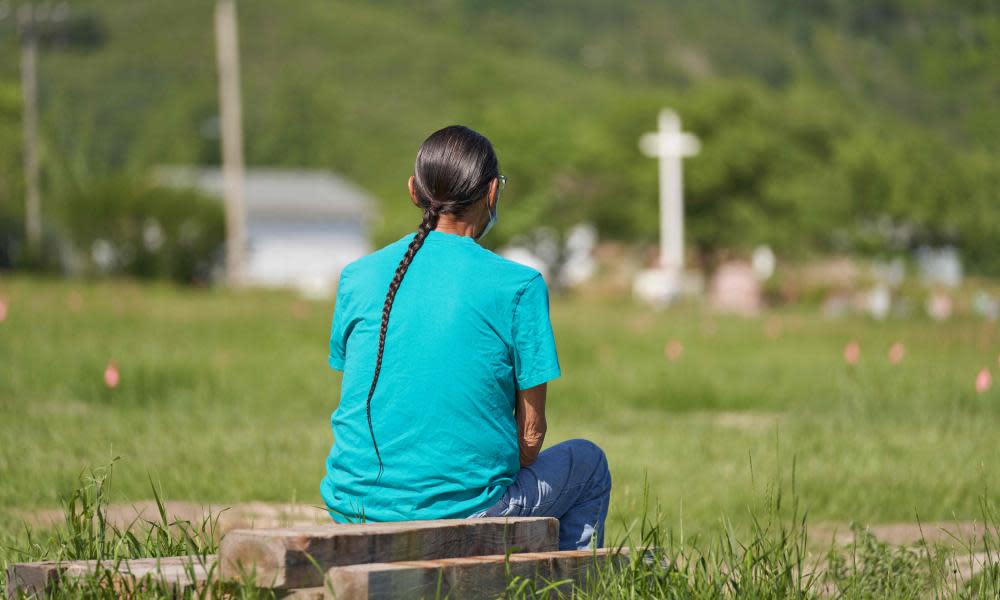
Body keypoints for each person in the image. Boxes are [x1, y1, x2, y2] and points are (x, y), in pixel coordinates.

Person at [320, 125, 611, 550]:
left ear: (413, 192)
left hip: (351, 509)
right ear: (492, 192)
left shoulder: (357, 276)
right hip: (462, 514)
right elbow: (531, 435)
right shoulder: (519, 285)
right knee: (588, 464)